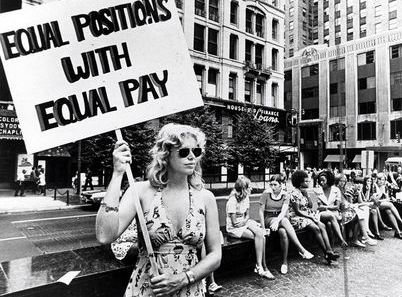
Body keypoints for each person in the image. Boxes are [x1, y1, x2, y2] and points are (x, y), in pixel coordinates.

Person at [96, 123, 221, 297]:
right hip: (148, 289)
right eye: (184, 152)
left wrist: (184, 278)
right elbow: (105, 235)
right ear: (166, 154)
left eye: (197, 151)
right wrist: (117, 174)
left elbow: (215, 254)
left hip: (190, 290)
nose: (192, 157)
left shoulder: (205, 197)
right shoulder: (140, 191)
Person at [259, 174, 314, 275]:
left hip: (280, 219)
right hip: (269, 219)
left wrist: (277, 221)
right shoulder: (266, 194)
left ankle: (284, 262)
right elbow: (261, 212)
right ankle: (301, 249)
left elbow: (284, 211)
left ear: (281, 185)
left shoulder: (285, 195)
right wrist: (263, 228)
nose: (272, 187)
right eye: (271, 184)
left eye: (275, 184)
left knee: (283, 232)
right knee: (284, 221)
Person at [226, 176, 274, 279]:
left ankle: (261, 266)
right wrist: (245, 222)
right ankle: (262, 267)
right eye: (249, 187)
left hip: (243, 223)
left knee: (261, 235)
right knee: (261, 237)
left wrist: (244, 221)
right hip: (234, 229)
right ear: (244, 188)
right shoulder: (232, 201)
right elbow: (234, 223)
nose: (251, 189)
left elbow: (247, 216)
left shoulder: (246, 197)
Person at [289, 170, 340, 264]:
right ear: (300, 182)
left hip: (306, 216)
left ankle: (329, 251)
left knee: (322, 225)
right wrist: (311, 217)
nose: (308, 182)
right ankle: (326, 253)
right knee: (315, 228)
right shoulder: (294, 193)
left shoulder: (303, 192)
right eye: (306, 181)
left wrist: (307, 196)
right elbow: (297, 211)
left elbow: (310, 206)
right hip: (296, 217)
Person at [313, 170, 348, 248]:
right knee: (331, 216)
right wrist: (328, 207)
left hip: (334, 212)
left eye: (323, 181)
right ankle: (341, 240)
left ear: (328, 180)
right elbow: (317, 207)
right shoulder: (317, 191)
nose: (321, 182)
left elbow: (337, 207)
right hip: (321, 214)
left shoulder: (336, 190)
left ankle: (331, 247)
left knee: (329, 224)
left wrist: (325, 207)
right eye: (320, 181)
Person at [373, 173, 402, 240]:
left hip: (381, 203)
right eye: (380, 180)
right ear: (377, 180)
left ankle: (398, 231)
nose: (382, 181)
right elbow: (375, 200)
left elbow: (387, 198)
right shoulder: (374, 186)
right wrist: (382, 192)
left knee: (389, 211)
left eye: (383, 180)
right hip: (374, 204)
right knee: (390, 205)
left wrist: (387, 198)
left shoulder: (383, 187)